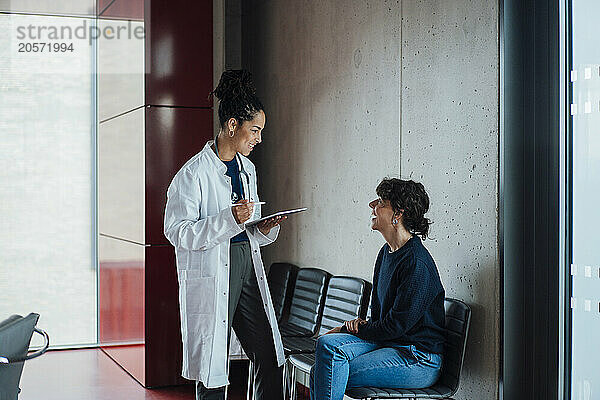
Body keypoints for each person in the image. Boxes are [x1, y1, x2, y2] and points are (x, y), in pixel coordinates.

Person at [164, 69, 286, 400]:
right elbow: (178, 232)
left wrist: (261, 228)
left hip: (247, 264)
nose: (259, 138)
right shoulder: (192, 175)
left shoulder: (248, 169)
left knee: (270, 353)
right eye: (255, 129)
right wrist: (228, 219)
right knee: (213, 362)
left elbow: (244, 229)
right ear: (232, 125)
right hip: (215, 270)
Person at [310, 178, 446, 400]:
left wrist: (349, 330)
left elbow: (395, 326)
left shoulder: (416, 263)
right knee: (327, 347)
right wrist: (356, 326)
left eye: (381, 202)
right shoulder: (386, 253)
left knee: (326, 369)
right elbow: (381, 317)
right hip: (391, 343)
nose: (372, 206)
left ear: (398, 213)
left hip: (418, 358)